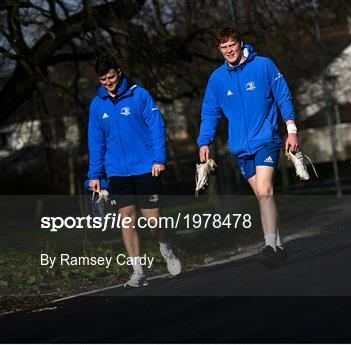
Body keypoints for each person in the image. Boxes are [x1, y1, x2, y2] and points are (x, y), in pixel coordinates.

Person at [197, 26, 298, 267]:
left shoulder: (263, 65)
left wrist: (291, 130)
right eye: (223, 47)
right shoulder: (217, 79)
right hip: (241, 148)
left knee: (265, 191)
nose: (228, 51)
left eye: (232, 45)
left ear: (241, 43)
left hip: (267, 139)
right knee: (263, 197)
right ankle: (279, 245)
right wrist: (204, 141)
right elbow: (210, 113)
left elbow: (283, 95)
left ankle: (270, 246)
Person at [87, 55, 181, 288]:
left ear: (119, 72)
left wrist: (159, 158)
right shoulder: (97, 105)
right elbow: (95, 141)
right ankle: (138, 271)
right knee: (126, 219)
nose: (108, 82)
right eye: (103, 79)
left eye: (111, 77)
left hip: (146, 167)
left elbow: (157, 126)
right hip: (117, 172)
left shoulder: (140, 95)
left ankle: (165, 248)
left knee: (153, 222)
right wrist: (95, 174)